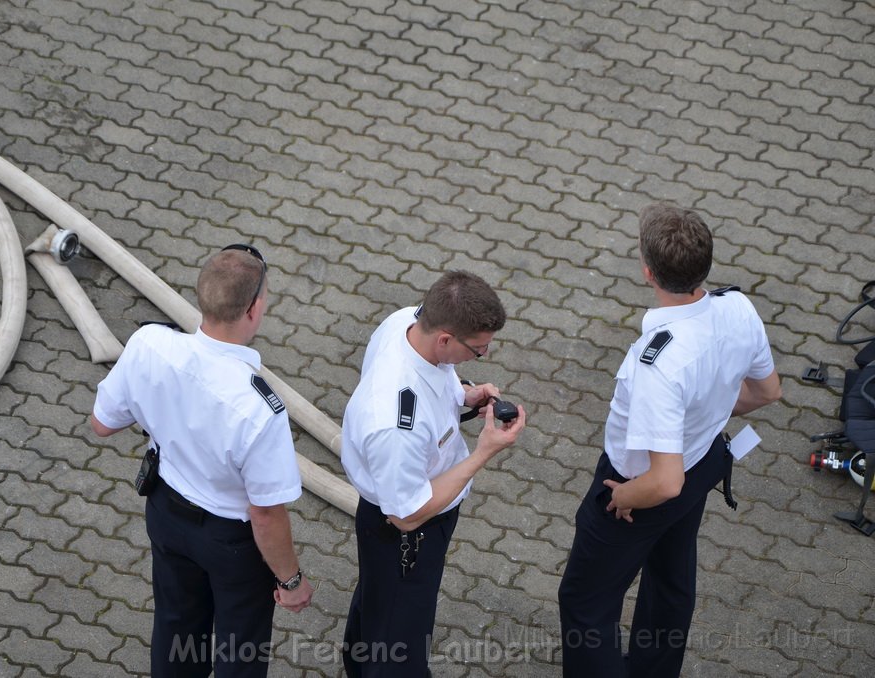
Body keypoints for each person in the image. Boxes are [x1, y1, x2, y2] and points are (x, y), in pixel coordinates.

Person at [557, 203, 783, 677]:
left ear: (647, 271)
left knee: (585, 605)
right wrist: (711, 409)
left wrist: (623, 495)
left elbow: (663, 483)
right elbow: (767, 391)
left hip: (643, 488)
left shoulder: (657, 362)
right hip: (701, 463)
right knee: (670, 584)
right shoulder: (739, 309)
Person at [90, 244, 314, 678]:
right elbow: (266, 512)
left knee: (176, 633)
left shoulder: (150, 344)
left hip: (166, 516)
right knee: (239, 653)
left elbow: (102, 424)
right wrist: (291, 581)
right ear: (254, 309)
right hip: (232, 544)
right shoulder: (260, 408)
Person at [340, 270, 527, 677]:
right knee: (399, 638)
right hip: (408, 531)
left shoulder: (407, 322)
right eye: (478, 350)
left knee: (377, 603)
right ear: (445, 338)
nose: (485, 354)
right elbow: (406, 514)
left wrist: (464, 394)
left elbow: (434, 380)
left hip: (399, 501)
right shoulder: (396, 423)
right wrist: (483, 452)